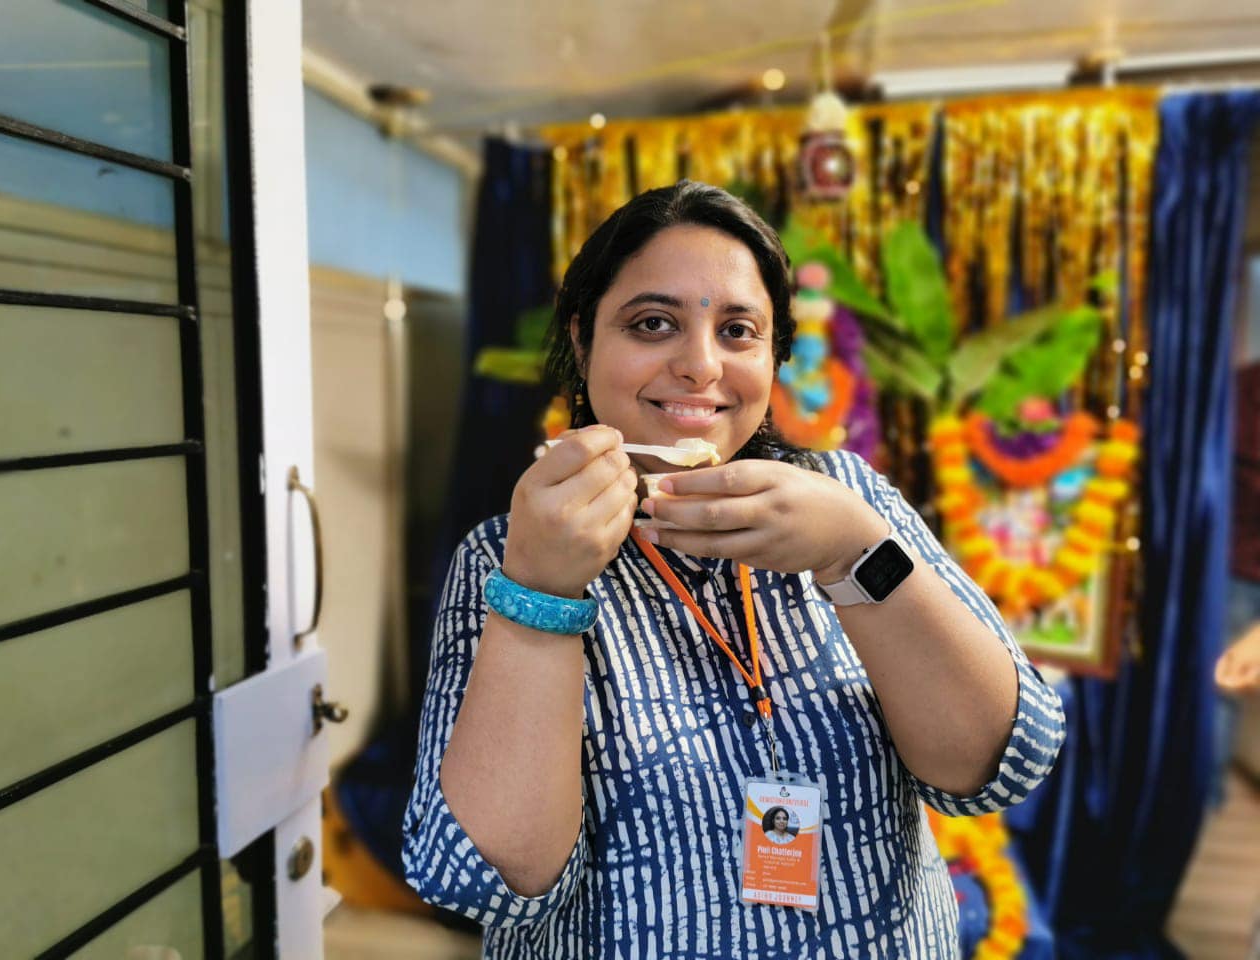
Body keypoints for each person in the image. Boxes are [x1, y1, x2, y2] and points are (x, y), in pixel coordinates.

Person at [402, 180, 1065, 958]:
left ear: (774, 353)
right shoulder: (508, 554)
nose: (699, 365)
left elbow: (1000, 766)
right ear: (583, 343)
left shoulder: (848, 500)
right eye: (653, 323)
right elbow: (482, 882)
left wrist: (855, 553)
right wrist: (540, 593)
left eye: (738, 330)